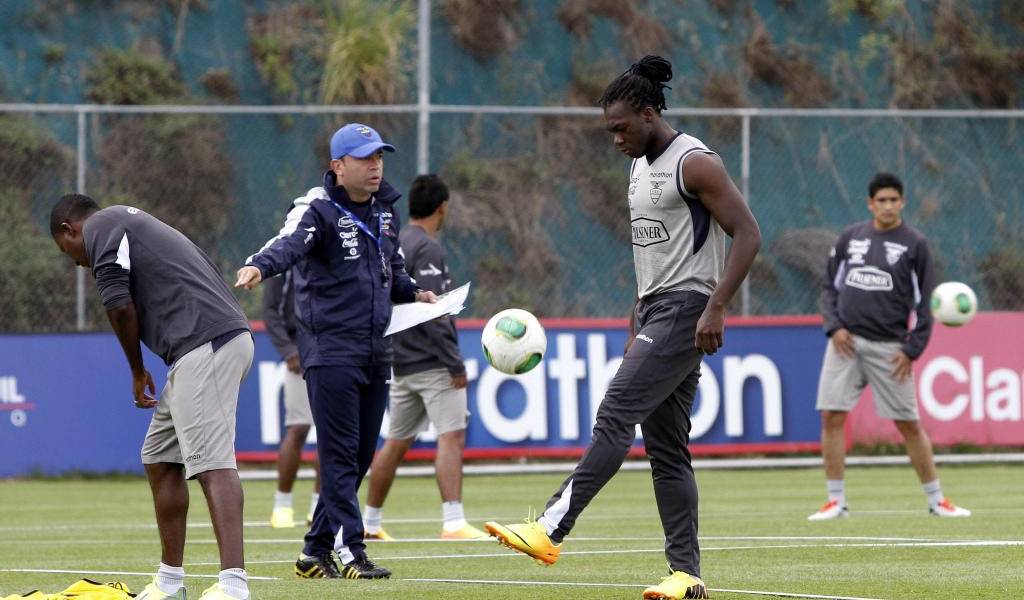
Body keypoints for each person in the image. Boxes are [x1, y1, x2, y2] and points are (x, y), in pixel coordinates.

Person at [484, 55, 761, 600]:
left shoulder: (695, 163)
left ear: (650, 113)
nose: (614, 139)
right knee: (668, 451)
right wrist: (637, 313)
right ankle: (686, 574)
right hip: (657, 310)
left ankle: (550, 529)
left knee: (614, 414)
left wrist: (718, 306)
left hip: (688, 309)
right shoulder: (637, 166)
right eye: (609, 130)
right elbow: (654, 249)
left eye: (621, 127)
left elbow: (748, 233)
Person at [234, 123, 437, 581]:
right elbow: (284, 245)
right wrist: (258, 267)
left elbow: (393, 270)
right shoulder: (317, 208)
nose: (375, 166)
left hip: (375, 349)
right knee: (340, 453)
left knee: (361, 455)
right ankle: (352, 550)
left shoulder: (386, 211)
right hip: (329, 348)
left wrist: (414, 293)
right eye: (365, 158)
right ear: (337, 166)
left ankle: (314, 551)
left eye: (379, 157)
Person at [50, 195, 254, 600]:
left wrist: (136, 368)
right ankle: (169, 583)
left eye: (68, 252)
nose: (76, 262)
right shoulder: (132, 222)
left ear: (69, 230)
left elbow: (119, 304)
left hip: (207, 342)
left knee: (212, 464)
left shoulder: (102, 226)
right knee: (160, 458)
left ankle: (234, 585)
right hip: (198, 347)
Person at [807, 172, 971, 521]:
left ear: (902, 203)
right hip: (845, 343)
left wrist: (913, 348)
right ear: (870, 204)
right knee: (832, 417)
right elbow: (829, 288)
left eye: (893, 199)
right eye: (881, 200)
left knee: (908, 423)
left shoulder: (916, 244)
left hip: (890, 348)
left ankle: (937, 500)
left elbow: (926, 302)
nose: (887, 206)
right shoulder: (851, 238)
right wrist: (834, 327)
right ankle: (835, 501)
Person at [362, 174, 487, 542]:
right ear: (442, 207)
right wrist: (454, 362)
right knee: (451, 436)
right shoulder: (428, 247)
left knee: (396, 443)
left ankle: (370, 523)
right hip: (432, 362)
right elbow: (436, 311)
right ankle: (453, 522)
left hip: (399, 359)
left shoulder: (397, 242)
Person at [262, 267, 321, 529]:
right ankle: (282, 505)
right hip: (301, 355)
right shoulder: (284, 255)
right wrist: (288, 350)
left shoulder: (338, 245)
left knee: (332, 433)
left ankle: (319, 507)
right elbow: (271, 310)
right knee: (298, 428)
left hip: (335, 350)